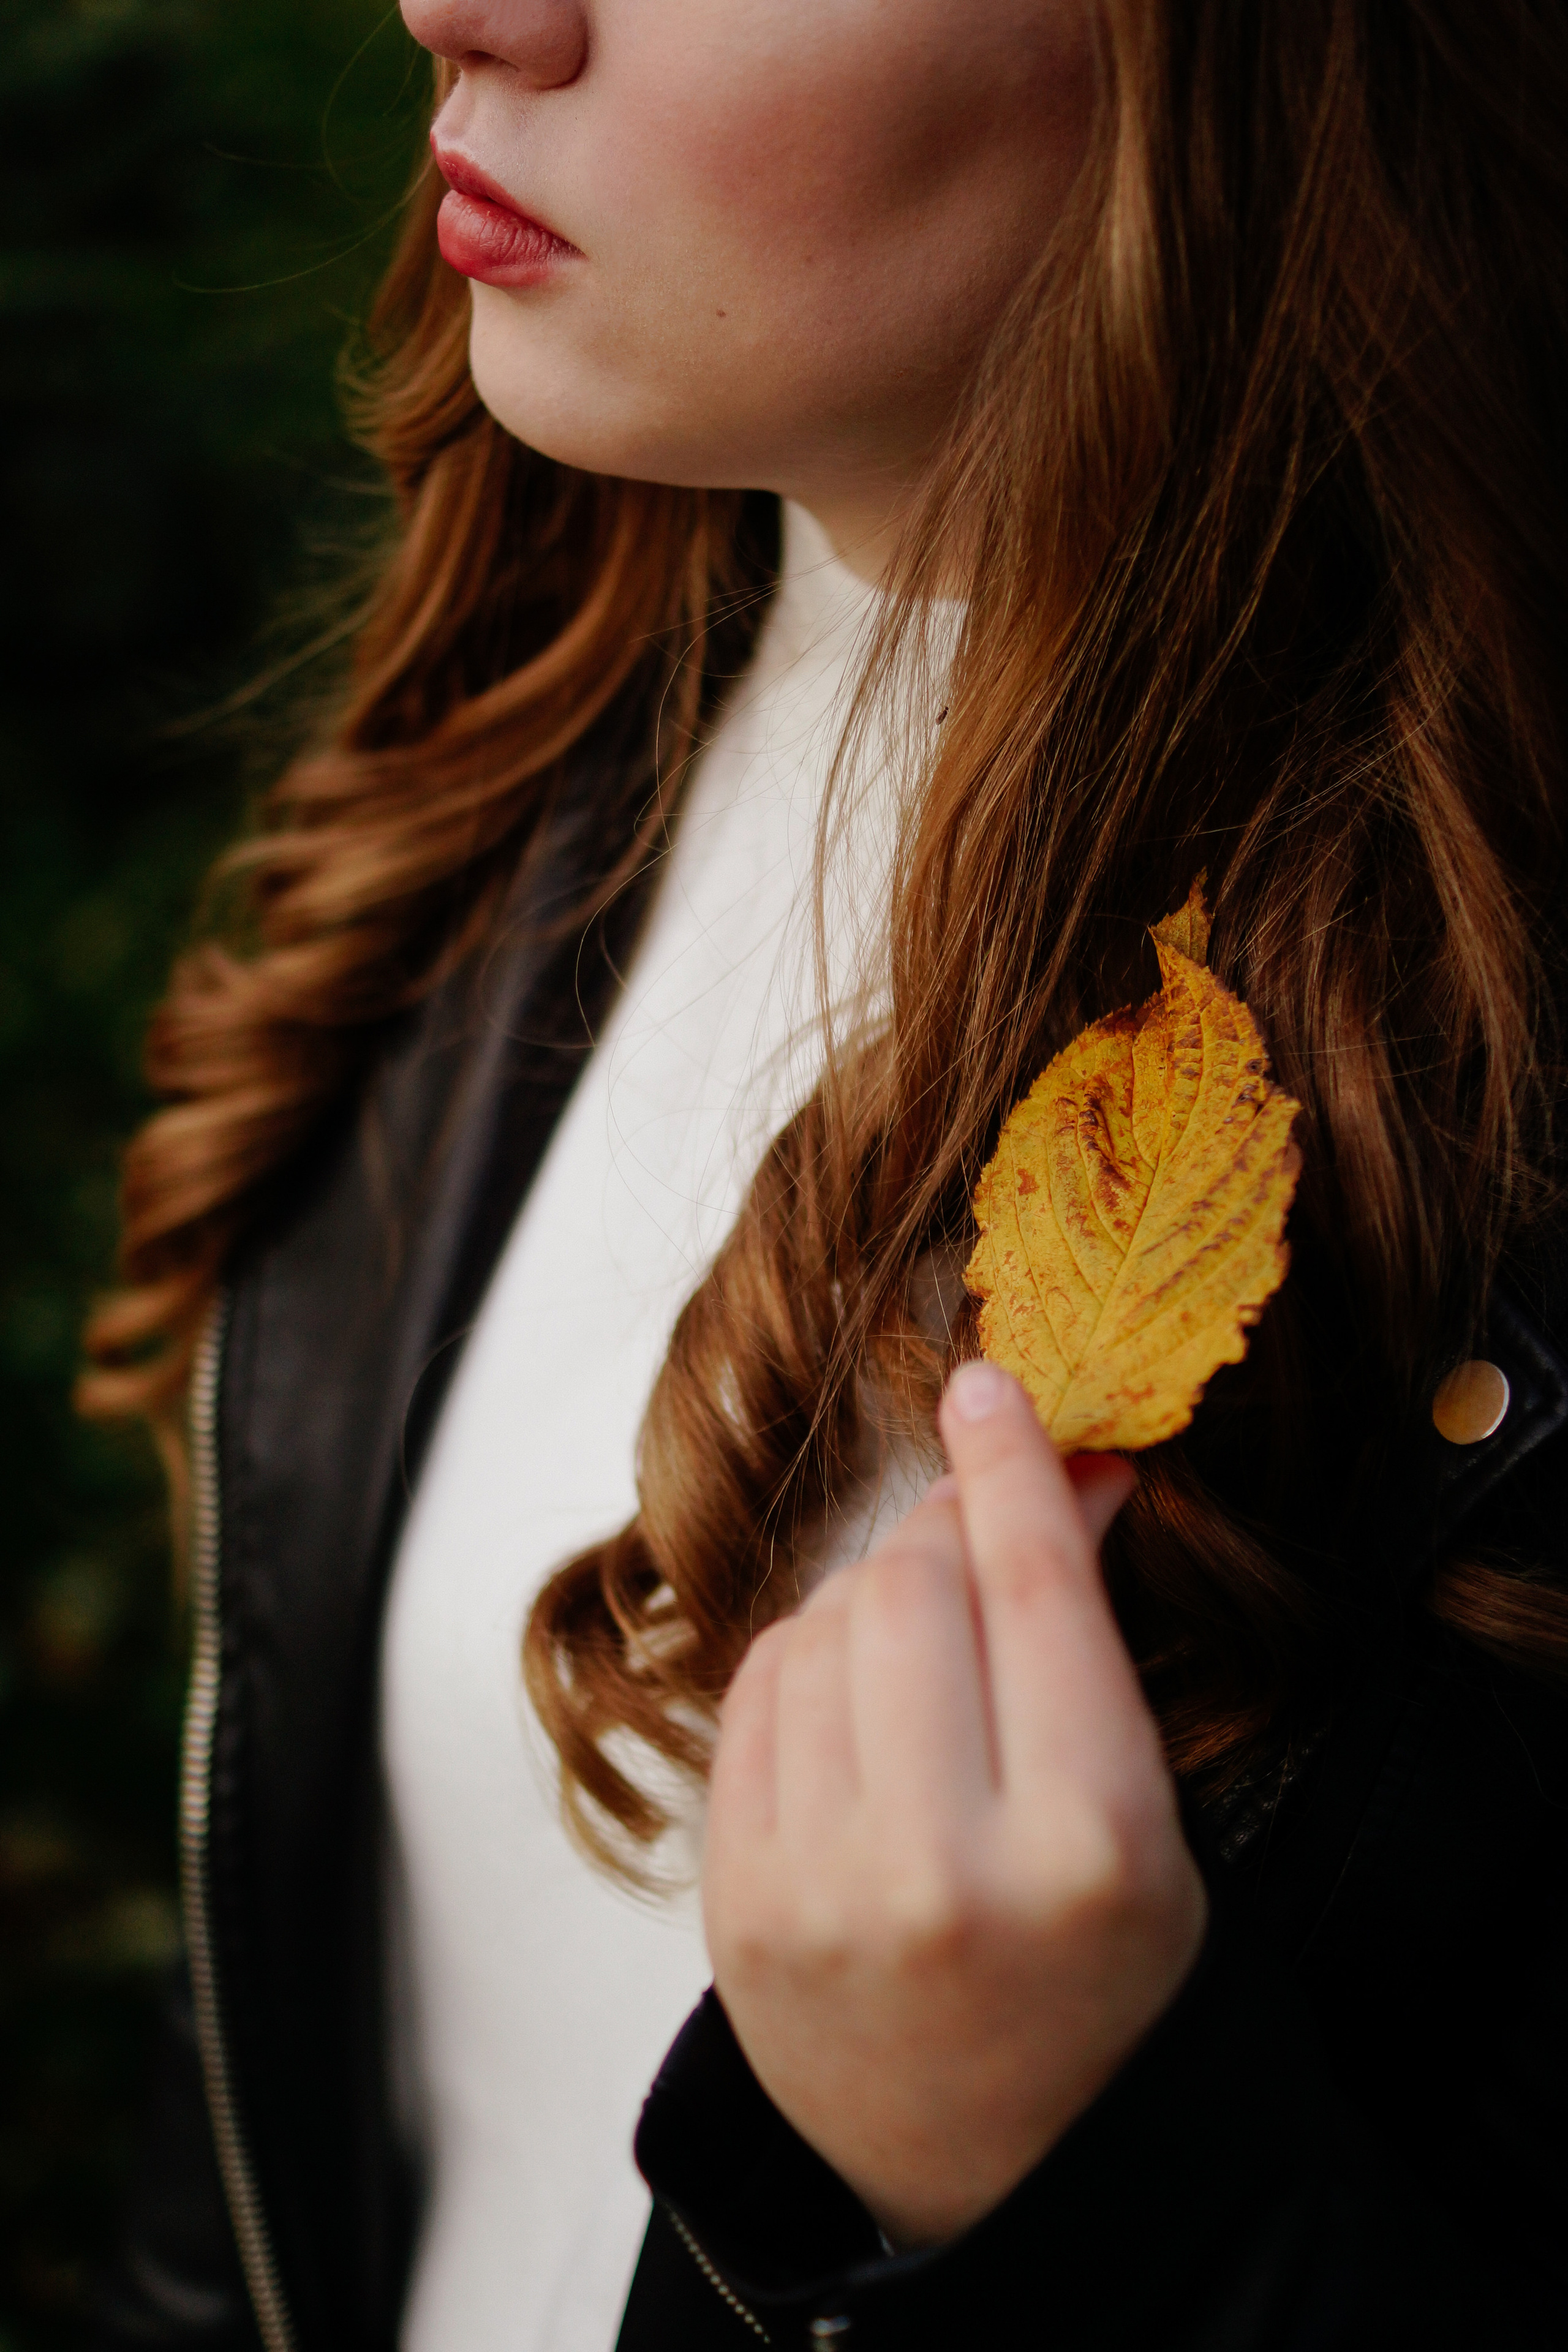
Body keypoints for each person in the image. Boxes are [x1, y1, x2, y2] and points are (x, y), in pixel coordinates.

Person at [85, 2, 1568, 2347]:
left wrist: (1089, 2200)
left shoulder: (1515, 1121)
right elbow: (267, 2136)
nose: (459, 2)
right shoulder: (537, 743)